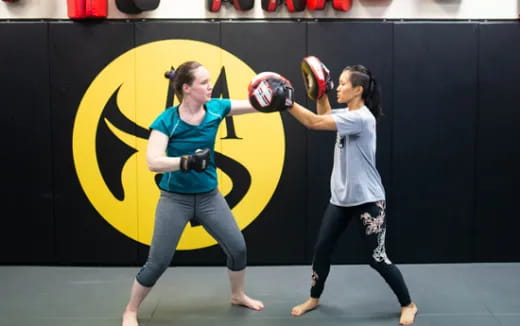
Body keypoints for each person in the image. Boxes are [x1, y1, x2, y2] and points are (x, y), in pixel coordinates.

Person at [122, 61, 266, 326]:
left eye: (209, 81)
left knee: (237, 248)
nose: (210, 86)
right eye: (204, 82)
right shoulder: (168, 120)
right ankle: (130, 310)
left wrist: (275, 97)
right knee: (158, 262)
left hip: (209, 196)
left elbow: (257, 105)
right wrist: (184, 161)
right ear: (187, 88)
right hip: (174, 199)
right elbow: (153, 161)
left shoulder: (216, 109)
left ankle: (238, 295)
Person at [287, 63, 418, 325]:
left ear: (357, 90)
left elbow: (314, 122)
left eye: (344, 83)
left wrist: (286, 102)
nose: (339, 87)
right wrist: (321, 92)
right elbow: (323, 113)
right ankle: (314, 298)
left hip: (368, 199)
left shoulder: (361, 118)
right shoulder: (348, 112)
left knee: (377, 258)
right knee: (322, 249)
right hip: (341, 200)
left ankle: (408, 304)